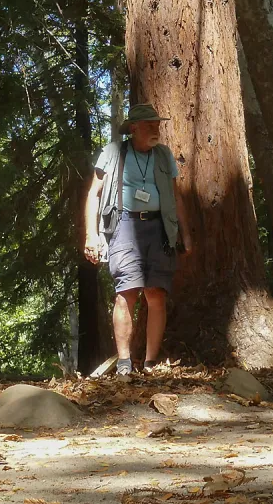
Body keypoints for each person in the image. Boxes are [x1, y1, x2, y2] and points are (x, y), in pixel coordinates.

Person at [82, 103, 192, 377]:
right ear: (134, 128)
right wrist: (91, 235)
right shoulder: (113, 152)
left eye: (157, 124)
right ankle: (123, 362)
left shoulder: (164, 155)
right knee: (126, 292)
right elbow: (93, 194)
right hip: (124, 227)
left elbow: (176, 196)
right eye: (150, 125)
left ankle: (151, 363)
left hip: (159, 229)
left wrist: (185, 233)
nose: (156, 129)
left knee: (156, 294)